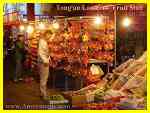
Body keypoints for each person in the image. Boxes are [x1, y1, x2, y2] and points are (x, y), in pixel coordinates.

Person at [38, 30, 53, 100]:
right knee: (44, 78)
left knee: (43, 78)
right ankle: (43, 94)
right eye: (49, 35)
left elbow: (46, 52)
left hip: (43, 61)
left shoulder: (44, 41)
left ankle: (42, 93)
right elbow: (40, 52)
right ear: (47, 34)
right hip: (43, 63)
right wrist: (46, 61)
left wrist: (49, 57)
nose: (50, 37)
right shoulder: (42, 42)